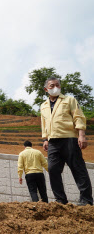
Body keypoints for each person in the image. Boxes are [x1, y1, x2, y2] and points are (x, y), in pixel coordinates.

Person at [41, 77, 93, 206]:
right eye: (52, 85)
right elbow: (44, 124)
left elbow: (79, 117)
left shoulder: (69, 100)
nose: (55, 87)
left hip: (69, 139)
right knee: (52, 169)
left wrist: (81, 135)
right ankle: (60, 200)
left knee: (78, 169)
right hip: (53, 141)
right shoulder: (43, 106)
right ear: (46, 89)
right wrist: (46, 139)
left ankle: (86, 200)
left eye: (57, 85)